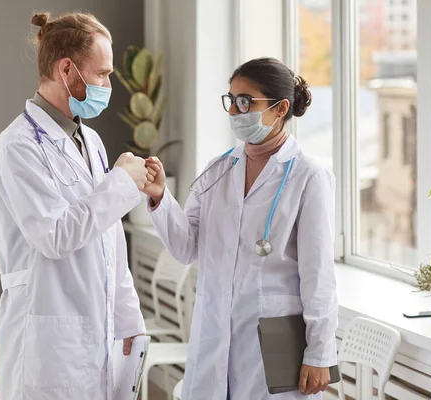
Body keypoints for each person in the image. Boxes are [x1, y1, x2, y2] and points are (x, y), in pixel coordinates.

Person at [143, 58, 339, 399]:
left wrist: (320, 353)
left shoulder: (309, 175)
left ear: (280, 109)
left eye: (245, 101)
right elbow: (186, 247)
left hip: (274, 341)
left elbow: (318, 274)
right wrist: (161, 196)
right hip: (214, 332)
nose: (234, 110)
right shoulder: (218, 169)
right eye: (231, 100)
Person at [0, 12, 152, 400]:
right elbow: (55, 236)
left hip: (95, 330)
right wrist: (122, 182)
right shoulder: (18, 146)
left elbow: (108, 237)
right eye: (102, 74)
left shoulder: (90, 141)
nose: (109, 84)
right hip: (48, 338)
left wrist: (129, 318)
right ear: (67, 69)